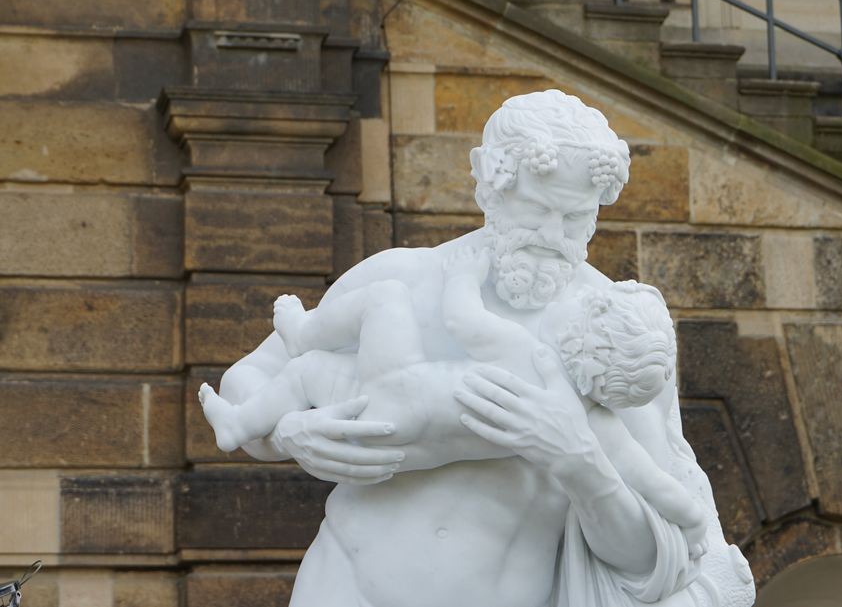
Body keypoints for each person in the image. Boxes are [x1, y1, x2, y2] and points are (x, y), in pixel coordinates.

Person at [216, 90, 756, 607]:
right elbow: (250, 381)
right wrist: (290, 434)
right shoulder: (403, 278)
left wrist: (579, 462)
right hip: (341, 588)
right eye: (537, 210)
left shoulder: (615, 341)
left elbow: (656, 560)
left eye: (575, 219)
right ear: (488, 186)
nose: (552, 234)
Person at [200, 245, 710, 560]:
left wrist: (465, 276)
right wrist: (691, 523)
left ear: (581, 332)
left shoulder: (530, 353)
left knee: (382, 301)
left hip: (396, 393)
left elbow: (463, 320)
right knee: (309, 372)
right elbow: (655, 483)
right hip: (400, 437)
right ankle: (245, 419)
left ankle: (301, 335)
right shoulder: (594, 418)